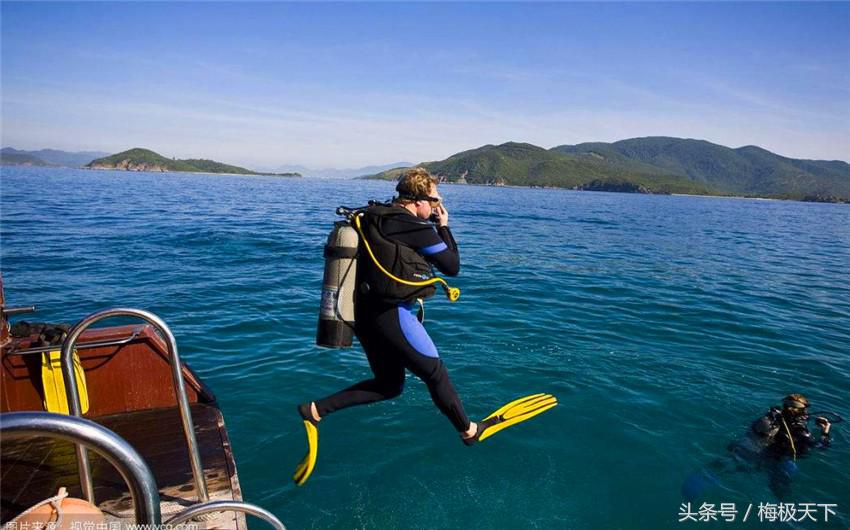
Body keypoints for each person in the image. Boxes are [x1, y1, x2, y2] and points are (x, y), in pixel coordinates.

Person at [293, 168, 556, 485]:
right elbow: (452, 265)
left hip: (362, 313)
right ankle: (469, 431)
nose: (437, 205)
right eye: (435, 200)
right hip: (391, 314)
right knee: (434, 372)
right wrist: (443, 227)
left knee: (390, 384)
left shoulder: (376, 215)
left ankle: (315, 411)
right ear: (418, 201)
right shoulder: (413, 225)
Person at [683, 393, 833, 501]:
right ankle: (781, 509)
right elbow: (821, 447)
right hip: (771, 459)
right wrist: (825, 430)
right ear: (803, 411)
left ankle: (691, 490)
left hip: (744, 449)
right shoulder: (800, 431)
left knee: (724, 466)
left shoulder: (771, 417)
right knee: (787, 475)